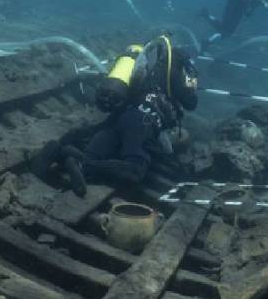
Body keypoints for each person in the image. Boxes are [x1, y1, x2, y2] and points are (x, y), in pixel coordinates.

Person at [45, 35, 199, 197]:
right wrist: (191, 82)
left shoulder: (148, 60)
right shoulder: (176, 70)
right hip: (143, 122)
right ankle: (84, 166)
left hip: (121, 116)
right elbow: (191, 103)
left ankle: (63, 153)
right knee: (135, 171)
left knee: (95, 153)